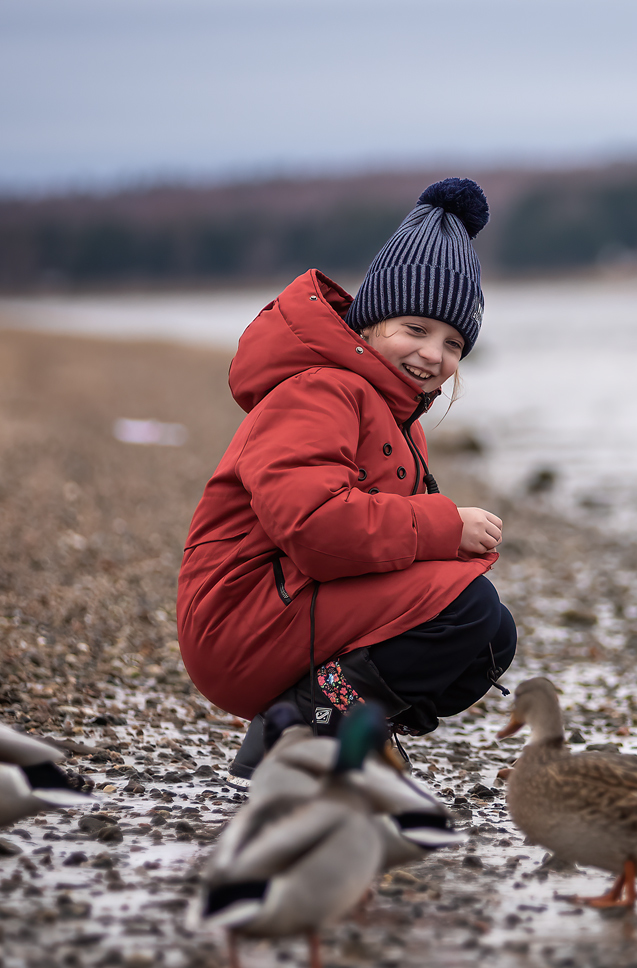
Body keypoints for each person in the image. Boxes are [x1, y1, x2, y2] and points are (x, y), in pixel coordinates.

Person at [177, 178, 516, 783]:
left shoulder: (394, 411)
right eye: (416, 329)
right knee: (466, 609)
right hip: (240, 620)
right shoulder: (321, 389)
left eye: (453, 342)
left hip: (290, 606)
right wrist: (445, 525)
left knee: (489, 638)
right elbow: (316, 527)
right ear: (369, 322)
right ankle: (298, 725)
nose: (434, 354)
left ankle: (348, 728)